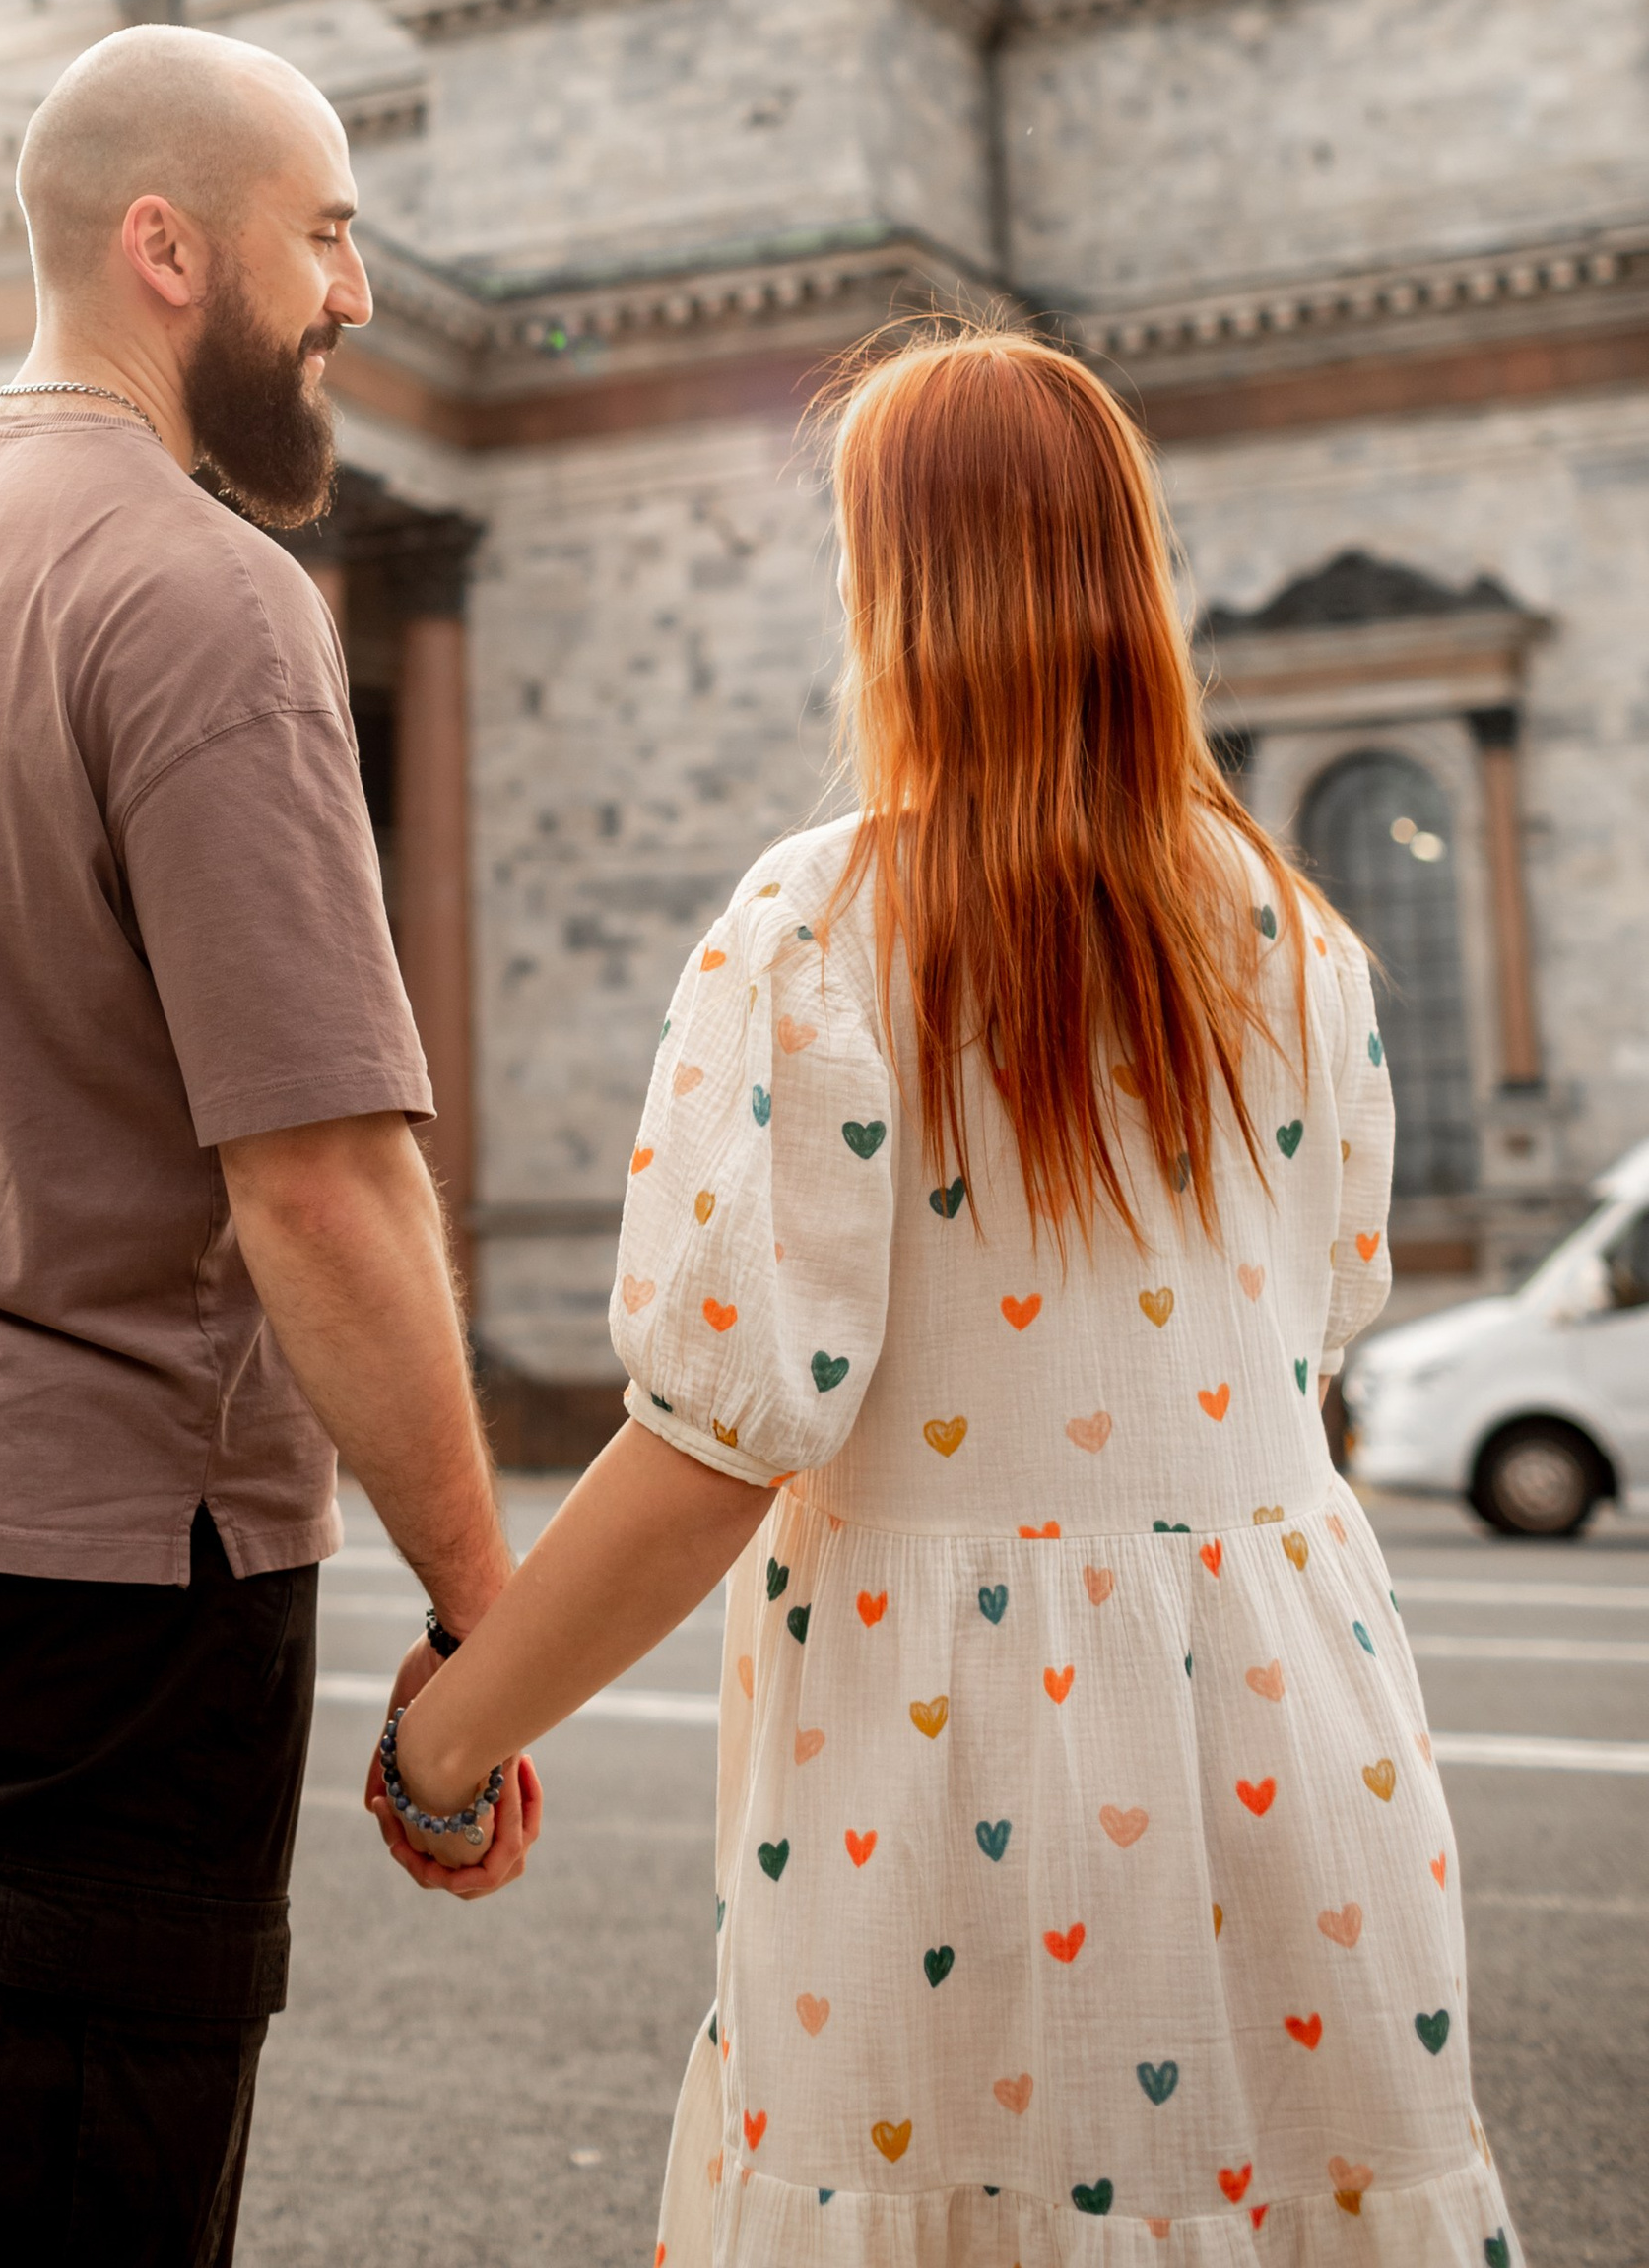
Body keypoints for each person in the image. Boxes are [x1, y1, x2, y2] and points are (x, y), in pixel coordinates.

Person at [376, 329, 1521, 2265]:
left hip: (943, 1755)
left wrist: (444, 1747)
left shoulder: (819, 933)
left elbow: (714, 1446)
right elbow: (1304, 1346)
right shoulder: (1294, 938)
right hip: (1301, 1732)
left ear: (894, 596)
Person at [0, 23, 533, 2268]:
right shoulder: (206, 591)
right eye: (325, 237)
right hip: (111, 1556)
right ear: (166, 250)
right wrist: (487, 1626)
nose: (357, 294)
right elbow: (318, 1179)